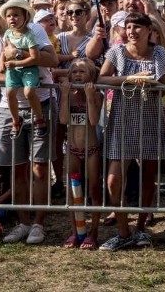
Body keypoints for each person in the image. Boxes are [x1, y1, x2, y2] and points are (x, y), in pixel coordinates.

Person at [0, 0, 57, 246]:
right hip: (8, 107)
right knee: (16, 168)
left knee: (40, 168)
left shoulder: (34, 29)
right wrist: (13, 78)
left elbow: (52, 60)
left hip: (40, 103)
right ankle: (23, 222)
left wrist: (19, 54)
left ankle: (39, 224)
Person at [97, 12, 165, 251]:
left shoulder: (159, 52)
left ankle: (141, 229)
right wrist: (130, 78)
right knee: (113, 179)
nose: (132, 31)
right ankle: (123, 231)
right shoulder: (116, 52)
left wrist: (146, 81)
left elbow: (161, 81)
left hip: (150, 119)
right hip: (121, 119)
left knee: (148, 178)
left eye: (137, 27)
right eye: (128, 26)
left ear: (149, 30)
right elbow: (102, 78)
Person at [58, 58, 103, 250]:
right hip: (73, 150)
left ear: (91, 76)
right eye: (74, 71)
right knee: (73, 191)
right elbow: (63, 119)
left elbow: (93, 121)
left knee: (93, 189)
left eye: (82, 71)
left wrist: (90, 97)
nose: (77, 74)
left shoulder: (96, 94)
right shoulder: (69, 94)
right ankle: (76, 231)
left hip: (91, 149)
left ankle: (93, 232)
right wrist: (66, 96)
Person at [0, 0, 46, 139]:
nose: (12, 18)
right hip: (13, 71)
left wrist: (16, 64)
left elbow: (35, 58)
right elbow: (4, 50)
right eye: (9, 16)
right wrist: (1, 62)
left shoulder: (30, 35)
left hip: (29, 69)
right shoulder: (7, 33)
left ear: (25, 17)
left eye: (16, 15)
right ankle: (15, 120)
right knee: (10, 93)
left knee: (29, 92)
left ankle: (39, 118)